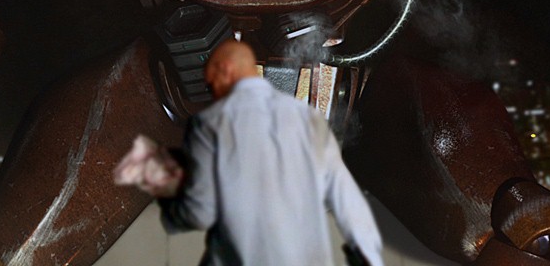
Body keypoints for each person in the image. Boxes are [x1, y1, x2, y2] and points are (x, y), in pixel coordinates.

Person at [160, 39, 385, 266]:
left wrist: (172, 210)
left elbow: (200, 212)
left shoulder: (210, 124)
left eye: (211, 86)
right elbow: (345, 196)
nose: (213, 95)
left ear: (226, 70)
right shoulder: (309, 120)